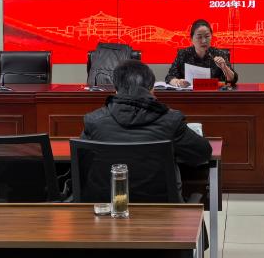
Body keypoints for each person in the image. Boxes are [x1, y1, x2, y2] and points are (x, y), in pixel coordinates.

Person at [83, 59, 211, 197]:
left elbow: (82, 161)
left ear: (116, 89)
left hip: (108, 206)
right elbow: (202, 154)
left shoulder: (94, 121)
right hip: (162, 207)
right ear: (152, 89)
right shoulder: (170, 120)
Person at [165, 19, 237, 87]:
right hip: (189, 94)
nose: (204, 41)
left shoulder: (219, 53)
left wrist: (225, 68)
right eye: (199, 37)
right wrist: (178, 82)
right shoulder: (183, 54)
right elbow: (169, 77)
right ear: (191, 39)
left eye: (207, 36)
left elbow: (233, 80)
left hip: (213, 94)